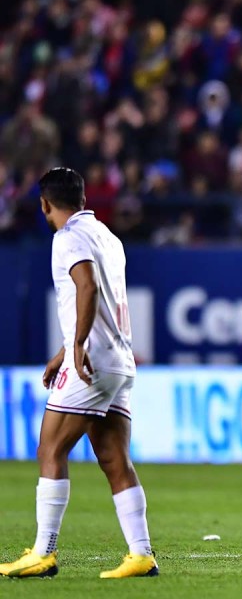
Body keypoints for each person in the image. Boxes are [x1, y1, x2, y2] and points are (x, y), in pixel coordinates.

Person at [0, 168, 157, 579]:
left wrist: (77, 346)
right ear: (84, 198)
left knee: (50, 449)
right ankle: (141, 553)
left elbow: (86, 287)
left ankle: (43, 551)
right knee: (113, 456)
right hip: (120, 362)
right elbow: (100, 300)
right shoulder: (109, 238)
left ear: (45, 203)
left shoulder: (66, 238)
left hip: (92, 361)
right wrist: (64, 348)